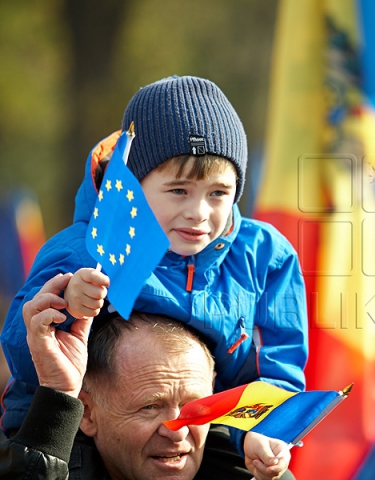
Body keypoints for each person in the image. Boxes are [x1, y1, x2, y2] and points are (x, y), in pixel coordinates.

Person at [0, 76, 309, 454]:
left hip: (203, 428)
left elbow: (279, 364)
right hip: (77, 427)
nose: (198, 213)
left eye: (218, 193)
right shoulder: (88, 249)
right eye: (178, 190)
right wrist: (67, 305)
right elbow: (19, 350)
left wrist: (265, 430)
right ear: (134, 183)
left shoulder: (264, 257)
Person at [0, 272, 291, 479]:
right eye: (149, 406)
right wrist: (59, 395)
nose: (176, 430)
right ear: (87, 413)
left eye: (195, 405)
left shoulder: (247, 468)